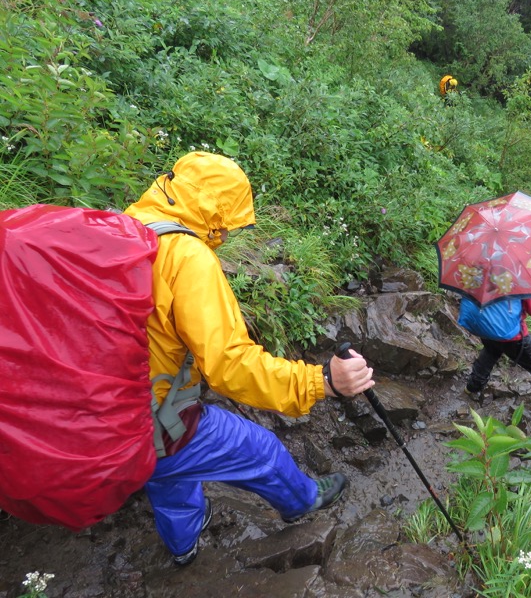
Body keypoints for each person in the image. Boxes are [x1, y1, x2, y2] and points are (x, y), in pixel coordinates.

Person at [123, 151, 375, 566]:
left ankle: (183, 547)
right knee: (260, 449)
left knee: (168, 477)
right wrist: (322, 382)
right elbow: (229, 366)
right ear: (218, 215)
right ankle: (303, 501)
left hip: (110, 410)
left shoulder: (128, 224)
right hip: (155, 415)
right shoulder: (187, 257)